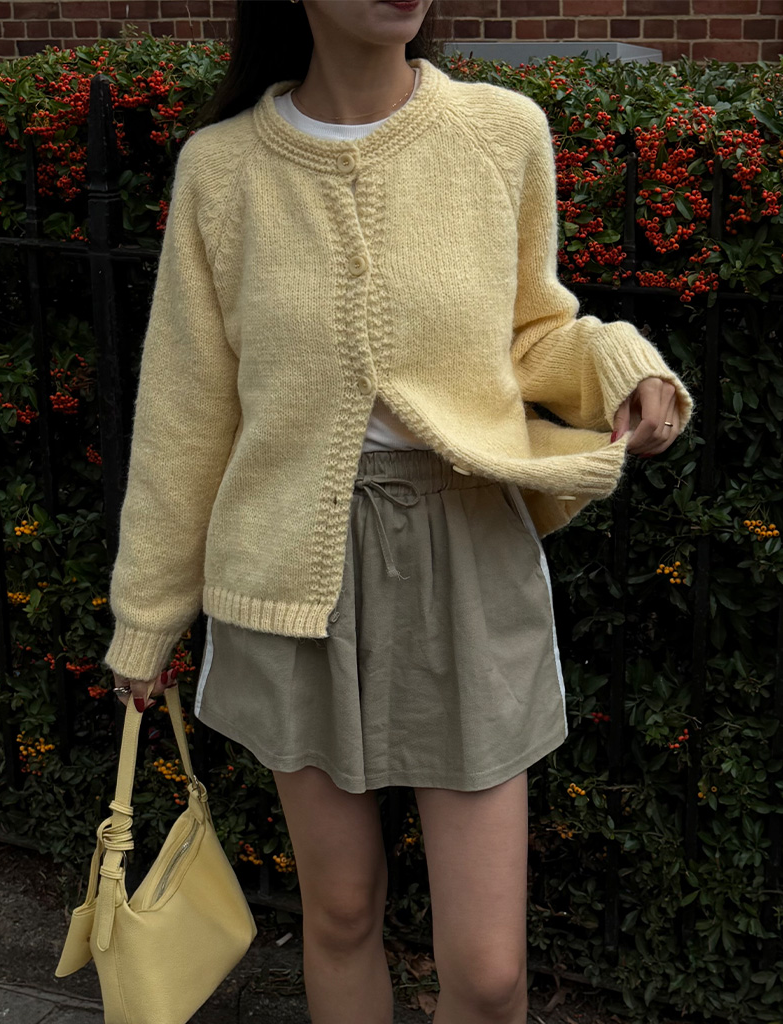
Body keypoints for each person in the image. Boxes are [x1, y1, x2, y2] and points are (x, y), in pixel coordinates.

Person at [105, 3, 692, 1022]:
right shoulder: (223, 170)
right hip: (289, 566)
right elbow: (185, 413)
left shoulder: (499, 132)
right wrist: (147, 617)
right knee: (339, 913)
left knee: (489, 973)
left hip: (465, 551)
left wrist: (619, 363)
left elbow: (532, 331)